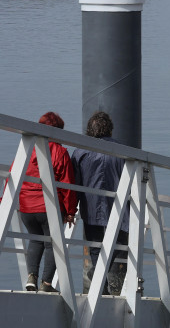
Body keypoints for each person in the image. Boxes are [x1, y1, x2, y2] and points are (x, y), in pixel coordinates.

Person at [18, 112, 77, 293]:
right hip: (48, 206)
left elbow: (14, 174)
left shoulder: (29, 149)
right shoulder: (60, 152)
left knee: (35, 240)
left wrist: (6, 200)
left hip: (26, 206)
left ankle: (31, 278)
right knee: (53, 243)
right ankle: (46, 284)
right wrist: (70, 211)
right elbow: (67, 184)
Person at [71, 111, 128, 295]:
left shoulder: (80, 151)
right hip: (117, 206)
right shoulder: (123, 151)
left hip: (90, 204)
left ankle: (99, 280)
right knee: (120, 242)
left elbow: (74, 182)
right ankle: (100, 277)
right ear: (109, 128)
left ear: (90, 129)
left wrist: (71, 208)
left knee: (95, 243)